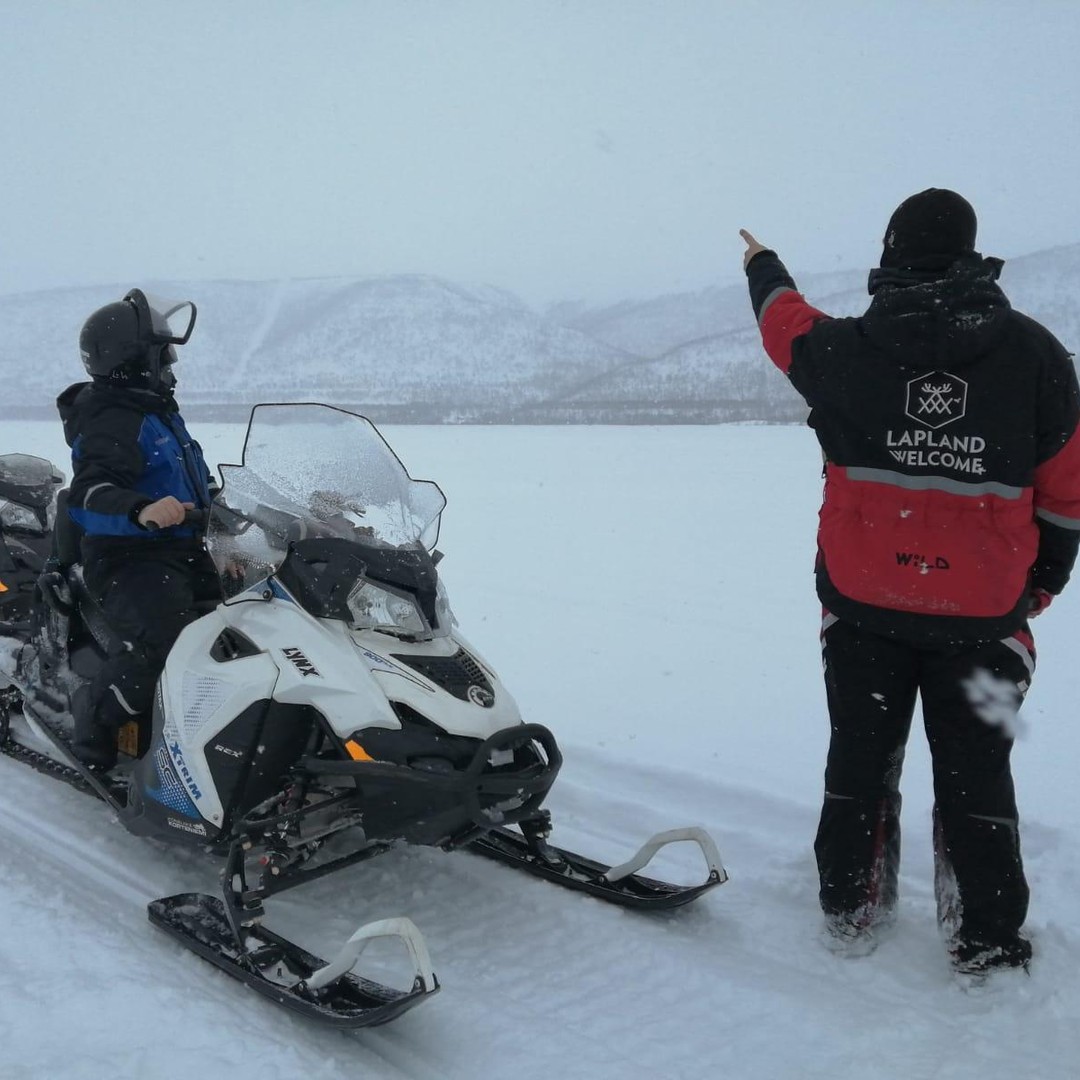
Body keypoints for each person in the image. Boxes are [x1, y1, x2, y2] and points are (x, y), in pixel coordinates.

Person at [740, 189, 1080, 975]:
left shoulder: (843, 350)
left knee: (860, 764)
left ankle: (850, 908)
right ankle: (986, 937)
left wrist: (762, 265)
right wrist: (1038, 588)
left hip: (862, 609)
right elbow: (1066, 494)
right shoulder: (1036, 356)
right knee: (978, 773)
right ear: (970, 253)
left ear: (891, 250)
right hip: (985, 623)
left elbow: (782, 322)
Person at [57, 288, 221, 772]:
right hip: (129, 556)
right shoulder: (113, 419)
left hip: (185, 548)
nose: (170, 363)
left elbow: (195, 483)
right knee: (166, 643)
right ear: (133, 361)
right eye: (162, 354)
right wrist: (140, 510)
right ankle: (95, 724)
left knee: (249, 624)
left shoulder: (157, 411)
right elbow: (89, 493)